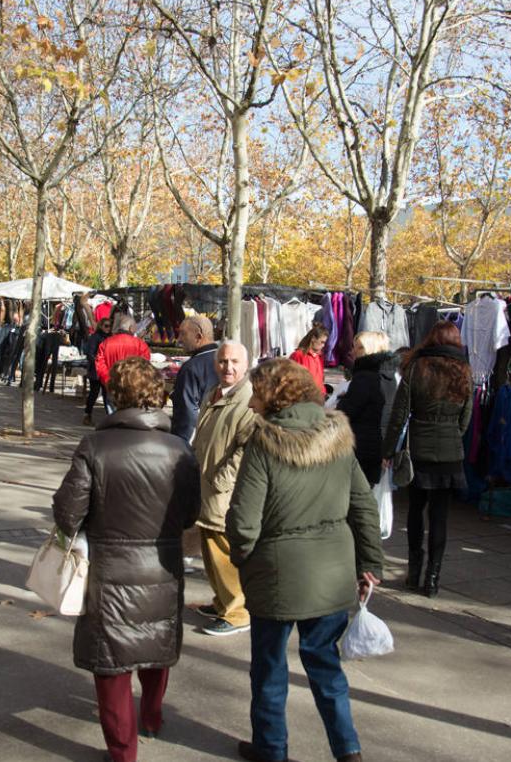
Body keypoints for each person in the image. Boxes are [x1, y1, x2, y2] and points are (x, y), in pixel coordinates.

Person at [227, 358, 383, 762]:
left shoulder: (264, 441)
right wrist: (371, 564)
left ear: (274, 394)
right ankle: (348, 750)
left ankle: (271, 748)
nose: (251, 404)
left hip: (276, 573)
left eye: (256, 394)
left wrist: (242, 558)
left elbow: (244, 521)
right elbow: (364, 507)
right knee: (326, 666)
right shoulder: (339, 437)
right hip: (332, 572)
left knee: (269, 669)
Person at [52, 357, 200, 762]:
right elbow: (190, 514)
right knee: (156, 642)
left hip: (110, 569)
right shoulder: (180, 451)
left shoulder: (95, 447)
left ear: (116, 395)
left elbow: (67, 512)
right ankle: (151, 716)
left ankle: (123, 753)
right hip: (162, 566)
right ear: (157, 395)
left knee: (112, 664)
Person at [382, 321, 472, 596]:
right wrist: (454, 434)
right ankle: (433, 577)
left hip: (419, 446)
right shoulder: (464, 371)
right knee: (439, 516)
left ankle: (414, 572)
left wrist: (388, 451)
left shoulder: (416, 367)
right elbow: (466, 416)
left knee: (415, 511)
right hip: (449, 450)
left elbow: (399, 412)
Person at [191, 340, 258, 637]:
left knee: (224, 550)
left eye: (234, 362)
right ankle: (222, 601)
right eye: (222, 361)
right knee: (209, 547)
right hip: (206, 485)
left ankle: (238, 610)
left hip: (223, 492)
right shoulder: (214, 393)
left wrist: (222, 482)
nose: (227, 367)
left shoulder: (249, 400)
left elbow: (245, 450)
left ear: (245, 365)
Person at [337, 331, 399, 485]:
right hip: (379, 445)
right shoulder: (391, 377)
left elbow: (347, 411)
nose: (352, 352)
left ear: (368, 350)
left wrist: (343, 399)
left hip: (360, 445)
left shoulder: (364, 377)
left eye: (358, 348)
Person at [170, 315, 220, 442]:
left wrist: (182, 445)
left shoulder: (191, 368)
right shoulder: (225, 360)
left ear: (198, 336)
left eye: (183, 334)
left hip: (197, 440)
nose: (179, 339)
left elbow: (187, 415)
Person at [95, 313, 151, 397]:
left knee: (112, 408)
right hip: (133, 385)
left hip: (112, 385)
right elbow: (144, 366)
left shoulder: (106, 343)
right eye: (135, 327)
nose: (136, 329)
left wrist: (107, 380)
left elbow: (100, 365)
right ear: (131, 328)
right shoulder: (140, 345)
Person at [82, 315, 113, 425]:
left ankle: (110, 417)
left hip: (106, 369)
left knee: (107, 394)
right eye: (106, 326)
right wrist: (98, 362)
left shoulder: (110, 337)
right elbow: (90, 352)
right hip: (96, 370)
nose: (108, 328)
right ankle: (87, 415)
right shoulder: (95, 337)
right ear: (101, 326)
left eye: (110, 326)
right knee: (94, 393)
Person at [288, 324, 328, 392]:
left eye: (324, 343)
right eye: (322, 342)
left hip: (319, 397)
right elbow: (291, 380)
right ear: (313, 339)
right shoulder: (298, 355)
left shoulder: (319, 356)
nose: (323, 345)